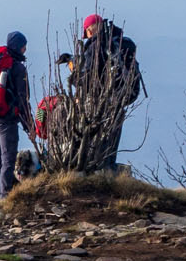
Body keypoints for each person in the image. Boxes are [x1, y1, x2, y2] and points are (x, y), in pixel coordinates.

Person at [60, 13, 143, 170]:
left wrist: (74, 76)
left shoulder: (94, 46)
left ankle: (98, 173)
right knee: (112, 142)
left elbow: (87, 77)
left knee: (96, 142)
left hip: (99, 101)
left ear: (89, 31)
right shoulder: (119, 42)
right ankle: (110, 171)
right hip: (120, 98)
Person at [0, 31, 32, 201]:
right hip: (7, 120)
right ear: (19, 47)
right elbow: (23, 100)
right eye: (24, 46)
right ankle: (4, 196)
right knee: (8, 158)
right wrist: (29, 125)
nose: (25, 49)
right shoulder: (18, 68)